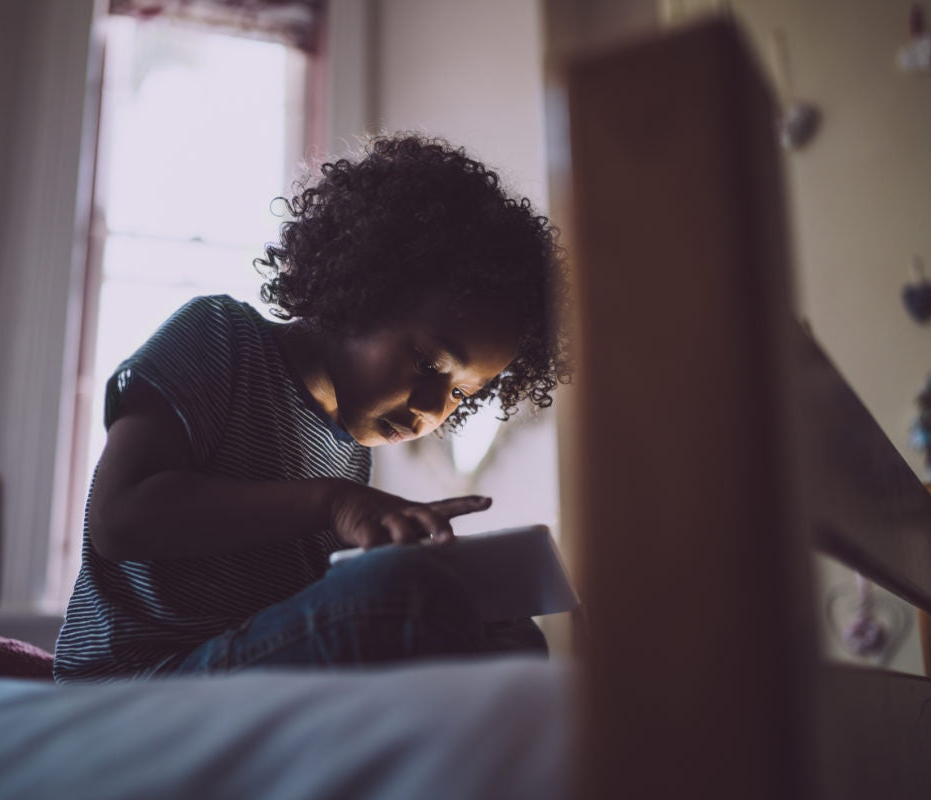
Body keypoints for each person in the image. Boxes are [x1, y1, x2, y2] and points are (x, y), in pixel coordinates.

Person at [54, 134, 569, 683]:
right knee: (405, 597)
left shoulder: (349, 454)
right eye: (428, 364)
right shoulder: (219, 337)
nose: (433, 410)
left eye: (463, 394)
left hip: (254, 662)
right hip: (141, 674)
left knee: (514, 635)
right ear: (364, 289)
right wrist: (334, 504)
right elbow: (118, 519)